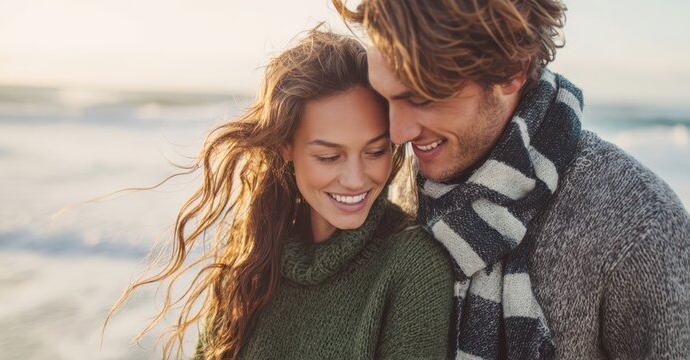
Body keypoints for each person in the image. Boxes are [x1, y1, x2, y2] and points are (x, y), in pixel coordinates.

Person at [333, 0, 690, 359]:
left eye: (420, 98)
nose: (397, 133)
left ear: (510, 72)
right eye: (385, 97)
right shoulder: (393, 184)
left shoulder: (639, 228)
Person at [106, 29, 453, 360]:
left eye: (375, 152)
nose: (355, 179)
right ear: (285, 146)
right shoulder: (253, 254)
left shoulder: (412, 267)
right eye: (329, 157)